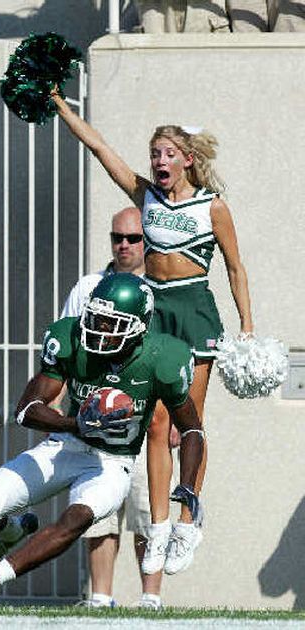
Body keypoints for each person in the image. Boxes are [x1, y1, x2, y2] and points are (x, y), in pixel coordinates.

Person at [49, 90, 253, 575]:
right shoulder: (145, 195)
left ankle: (188, 519)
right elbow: (100, 149)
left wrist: (246, 325)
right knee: (156, 423)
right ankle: (158, 528)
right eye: (154, 154)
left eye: (167, 154)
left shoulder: (212, 207)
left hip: (195, 308)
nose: (159, 161)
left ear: (187, 159)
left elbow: (235, 267)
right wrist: (61, 106)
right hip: (155, 308)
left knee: (190, 421)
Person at [0, 272, 204, 607]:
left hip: (112, 464)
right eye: (97, 318)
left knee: (76, 519)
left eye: (112, 322)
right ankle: (10, 529)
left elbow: (192, 429)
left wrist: (187, 486)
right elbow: (26, 409)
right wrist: (76, 425)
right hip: (65, 445)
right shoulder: (69, 338)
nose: (99, 329)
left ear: (139, 326)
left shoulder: (162, 358)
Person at [59, 206, 169, 610]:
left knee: (145, 508)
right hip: (94, 417)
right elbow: (63, 349)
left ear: (148, 242)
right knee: (98, 511)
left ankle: (150, 599)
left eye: (133, 238)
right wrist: (58, 415)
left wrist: (174, 418)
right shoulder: (89, 286)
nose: (123, 245)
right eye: (116, 238)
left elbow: (174, 360)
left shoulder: (162, 290)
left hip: (146, 420)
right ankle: (100, 597)